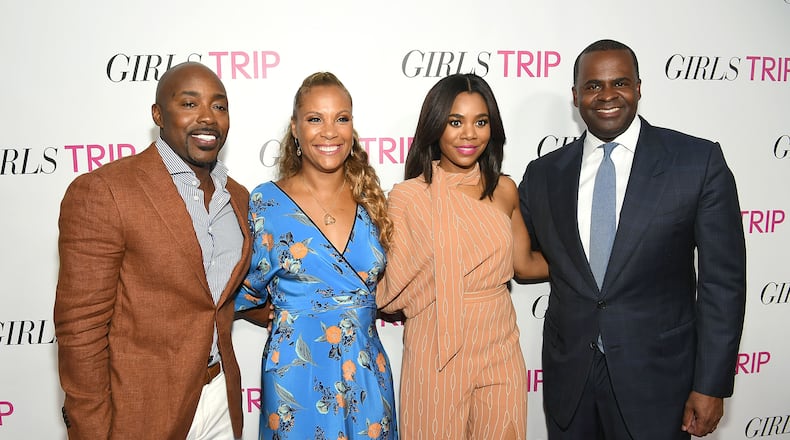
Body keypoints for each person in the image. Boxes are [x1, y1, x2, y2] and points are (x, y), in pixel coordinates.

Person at [518, 39, 747, 440]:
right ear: (576, 96)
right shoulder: (543, 173)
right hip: (570, 383)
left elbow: (722, 285)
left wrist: (710, 384)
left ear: (639, 88)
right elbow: (516, 253)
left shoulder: (696, 162)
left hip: (659, 383)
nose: (607, 95)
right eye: (593, 86)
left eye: (620, 83)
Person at [54, 62, 252, 439]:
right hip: (142, 411)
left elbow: (218, 293)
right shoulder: (105, 191)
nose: (207, 117)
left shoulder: (238, 198)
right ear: (158, 114)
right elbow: (81, 329)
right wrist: (91, 429)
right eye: (189, 104)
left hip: (220, 400)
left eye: (219, 106)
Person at [377, 73, 548, 439]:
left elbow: (525, 264)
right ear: (436, 126)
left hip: (499, 339)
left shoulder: (504, 189)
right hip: (435, 340)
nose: (469, 134)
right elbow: (388, 281)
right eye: (456, 122)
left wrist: (593, 264)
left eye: (480, 122)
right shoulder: (408, 197)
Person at [235, 72, 398, 439]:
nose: (329, 132)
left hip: (365, 370)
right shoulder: (266, 203)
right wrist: (280, 312)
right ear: (295, 128)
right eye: (315, 119)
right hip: (296, 374)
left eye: (341, 118)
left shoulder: (372, 200)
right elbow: (239, 290)